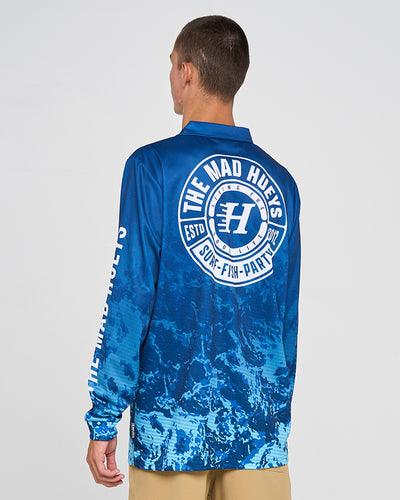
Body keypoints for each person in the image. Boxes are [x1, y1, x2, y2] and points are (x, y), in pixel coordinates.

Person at [85, 15, 301, 500]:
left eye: (171, 65)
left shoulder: (152, 166)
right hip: (259, 435)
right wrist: (274, 420)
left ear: (186, 71)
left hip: (170, 434)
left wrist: (104, 416)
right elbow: (286, 317)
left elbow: (130, 295)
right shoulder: (282, 182)